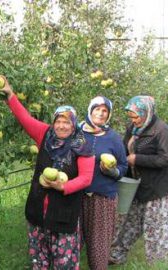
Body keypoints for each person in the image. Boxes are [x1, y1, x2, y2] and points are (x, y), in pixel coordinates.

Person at [0, 76, 95, 269]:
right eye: (58, 121)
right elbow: (24, 118)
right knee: (39, 258)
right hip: (38, 210)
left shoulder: (82, 145)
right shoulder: (45, 134)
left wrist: (64, 186)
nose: (61, 126)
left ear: (73, 124)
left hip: (64, 212)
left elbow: (86, 178)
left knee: (64, 262)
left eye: (66, 122)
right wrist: (10, 95)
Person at [109, 95, 168, 265]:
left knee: (155, 228)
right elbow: (123, 149)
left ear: (146, 112)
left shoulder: (161, 130)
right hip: (136, 185)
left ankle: (157, 264)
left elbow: (165, 158)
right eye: (131, 116)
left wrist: (138, 159)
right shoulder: (133, 128)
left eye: (136, 116)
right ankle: (116, 255)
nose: (133, 120)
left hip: (156, 189)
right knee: (129, 223)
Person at [79, 96, 128, 270]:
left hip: (102, 200)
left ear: (108, 114)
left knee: (98, 248)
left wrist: (113, 172)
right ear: (90, 110)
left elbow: (124, 166)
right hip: (76, 196)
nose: (100, 113)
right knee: (70, 245)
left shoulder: (113, 138)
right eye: (97, 109)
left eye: (104, 110)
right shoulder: (77, 133)